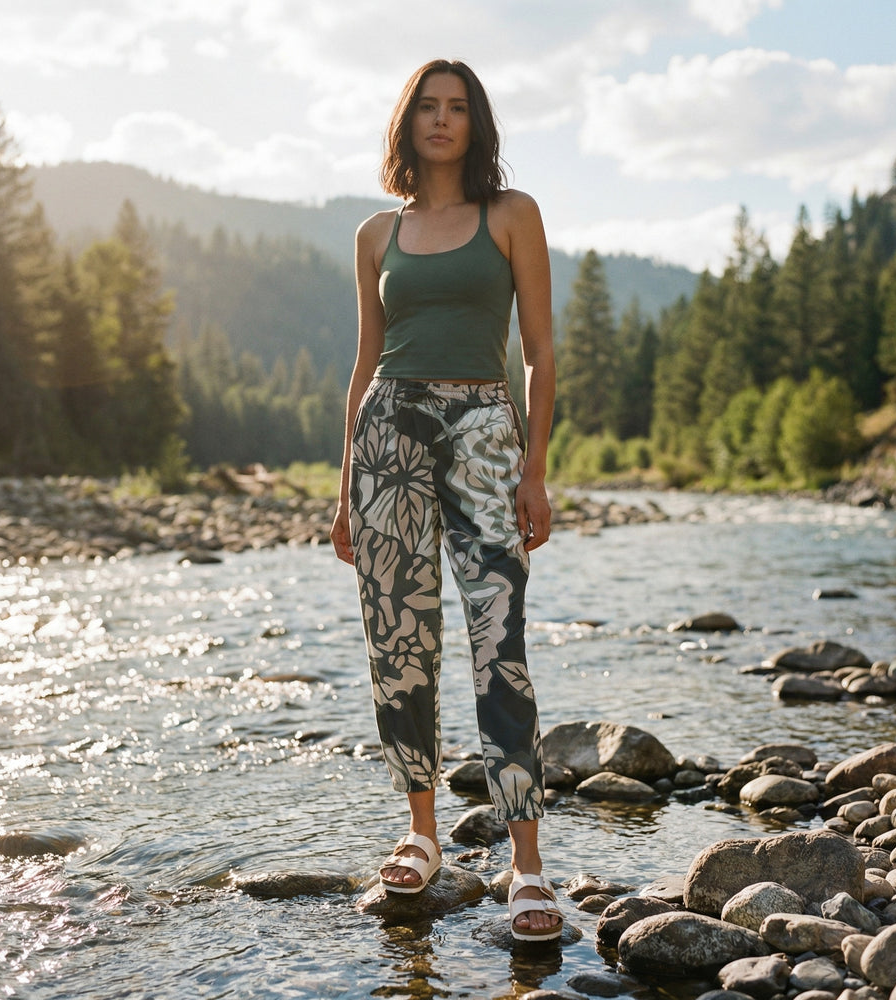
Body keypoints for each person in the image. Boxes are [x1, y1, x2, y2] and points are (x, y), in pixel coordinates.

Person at [330, 58, 561, 942]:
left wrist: (535, 467)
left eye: (457, 107)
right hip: (387, 434)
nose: (441, 120)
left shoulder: (511, 214)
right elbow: (363, 363)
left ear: (476, 122)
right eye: (427, 106)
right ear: (406, 122)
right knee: (400, 639)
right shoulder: (376, 234)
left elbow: (538, 351)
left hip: (484, 432)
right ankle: (423, 832)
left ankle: (525, 862)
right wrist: (345, 490)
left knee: (498, 640)